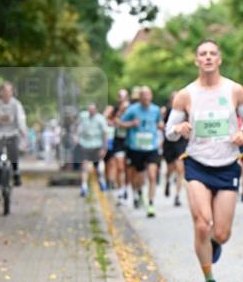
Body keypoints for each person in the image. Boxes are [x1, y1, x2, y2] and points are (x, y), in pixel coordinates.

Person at [165, 39, 243, 282]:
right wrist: (178, 130)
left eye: (212, 53)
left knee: (222, 233)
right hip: (197, 164)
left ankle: (213, 245)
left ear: (219, 59)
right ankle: (209, 280)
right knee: (202, 224)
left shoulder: (235, 90)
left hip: (227, 165)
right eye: (202, 54)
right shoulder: (185, 95)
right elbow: (169, 131)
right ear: (196, 60)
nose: (207, 57)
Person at [118, 86, 164, 217]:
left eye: (147, 95)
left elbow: (159, 122)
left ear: (151, 96)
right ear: (140, 97)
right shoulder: (132, 110)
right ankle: (138, 191)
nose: (145, 97)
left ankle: (150, 203)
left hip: (152, 147)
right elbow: (120, 123)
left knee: (152, 175)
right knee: (138, 177)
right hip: (136, 147)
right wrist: (131, 124)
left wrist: (161, 126)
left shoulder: (156, 110)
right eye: (143, 95)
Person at [0, 82, 27, 201]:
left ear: (12, 92)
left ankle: (16, 172)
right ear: (0, 92)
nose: (7, 93)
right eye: (4, 91)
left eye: (9, 91)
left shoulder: (16, 105)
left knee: (13, 149)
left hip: (11, 134)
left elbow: (21, 120)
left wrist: (24, 132)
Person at [77, 102, 110, 197]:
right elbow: (78, 127)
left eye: (92, 109)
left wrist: (104, 147)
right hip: (85, 145)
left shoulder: (100, 119)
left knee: (99, 167)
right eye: (89, 109)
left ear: (96, 110)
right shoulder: (83, 116)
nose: (90, 111)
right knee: (85, 166)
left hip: (97, 145)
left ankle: (101, 180)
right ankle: (84, 186)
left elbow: (105, 133)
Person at [162, 92, 188, 207]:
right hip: (169, 142)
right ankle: (167, 181)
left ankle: (177, 196)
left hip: (181, 143)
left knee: (180, 168)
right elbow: (161, 125)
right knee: (170, 168)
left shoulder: (185, 111)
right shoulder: (165, 111)